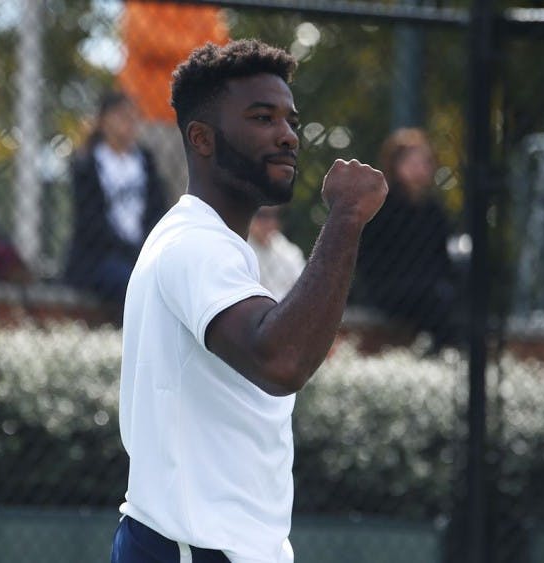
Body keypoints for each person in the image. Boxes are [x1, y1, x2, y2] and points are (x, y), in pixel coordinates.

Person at [112, 40, 387, 562]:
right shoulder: (195, 244)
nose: (287, 135)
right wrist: (347, 216)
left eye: (290, 120)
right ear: (202, 138)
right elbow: (281, 360)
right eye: (262, 118)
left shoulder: (214, 244)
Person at [356, 128, 462, 350]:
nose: (420, 168)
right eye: (412, 162)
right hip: (387, 287)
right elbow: (369, 260)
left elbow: (442, 258)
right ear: (395, 165)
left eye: (425, 162)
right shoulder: (382, 206)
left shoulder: (433, 210)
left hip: (428, 287)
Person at [63, 91, 168, 313]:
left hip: (143, 253)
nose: (128, 122)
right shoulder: (88, 164)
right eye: (121, 115)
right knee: (131, 283)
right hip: (101, 257)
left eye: (133, 116)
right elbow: (90, 224)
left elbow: (157, 211)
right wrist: (129, 250)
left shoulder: (145, 161)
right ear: (103, 121)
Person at [119, 1, 229, 201]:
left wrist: (178, 47)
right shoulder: (143, 5)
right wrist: (193, 47)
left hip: (192, 119)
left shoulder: (203, 7)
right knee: (147, 198)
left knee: (190, 197)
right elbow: (145, 41)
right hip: (147, 118)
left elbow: (218, 49)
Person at [248, 206, 305, 299]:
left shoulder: (289, 251)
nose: (271, 221)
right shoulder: (239, 251)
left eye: (275, 215)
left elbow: (302, 288)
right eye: (262, 215)